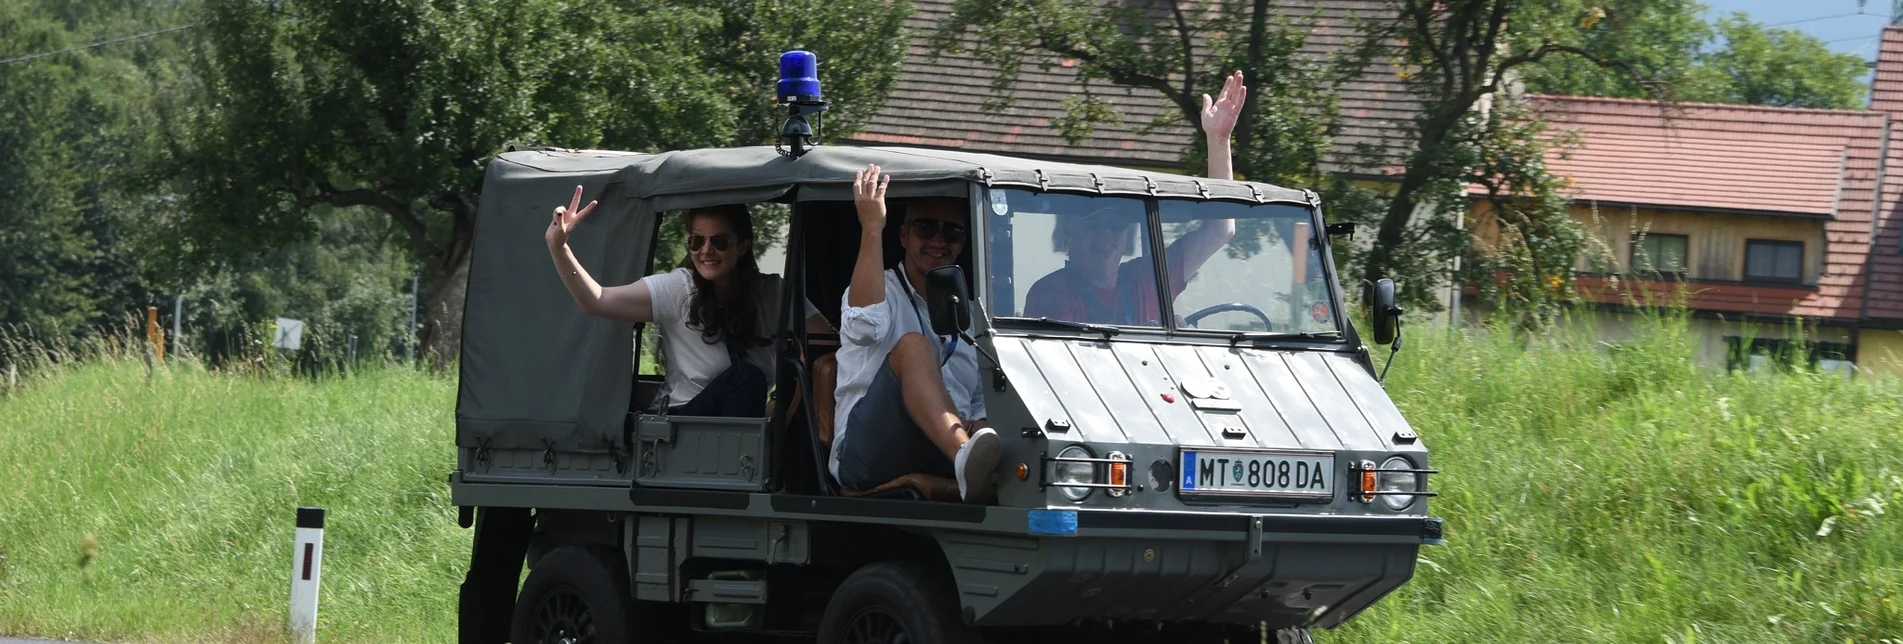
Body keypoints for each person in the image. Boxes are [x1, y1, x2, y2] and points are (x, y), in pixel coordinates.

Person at [545, 185, 830, 417]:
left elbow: (827, 344)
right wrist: (559, 247)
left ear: (742, 246)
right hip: (686, 424)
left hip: (748, 427)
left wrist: (784, 402)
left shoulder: (772, 292)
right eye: (696, 241)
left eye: (719, 242)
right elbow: (597, 300)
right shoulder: (679, 288)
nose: (706, 251)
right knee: (747, 378)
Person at [829, 164, 1001, 503]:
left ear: (963, 244)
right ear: (904, 236)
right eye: (925, 228)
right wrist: (872, 227)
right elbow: (863, 327)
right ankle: (964, 456)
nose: (938, 240)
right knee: (913, 347)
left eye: (951, 232)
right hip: (867, 451)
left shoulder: (967, 312)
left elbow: (980, 396)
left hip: (941, 446)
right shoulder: (884, 291)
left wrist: (981, 428)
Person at [1022, 70, 1247, 325]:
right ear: (1069, 228)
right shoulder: (1052, 293)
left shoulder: (1146, 279)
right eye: (1094, 222)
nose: (1106, 234)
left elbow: (1219, 231)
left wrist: (1218, 141)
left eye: (1116, 224)